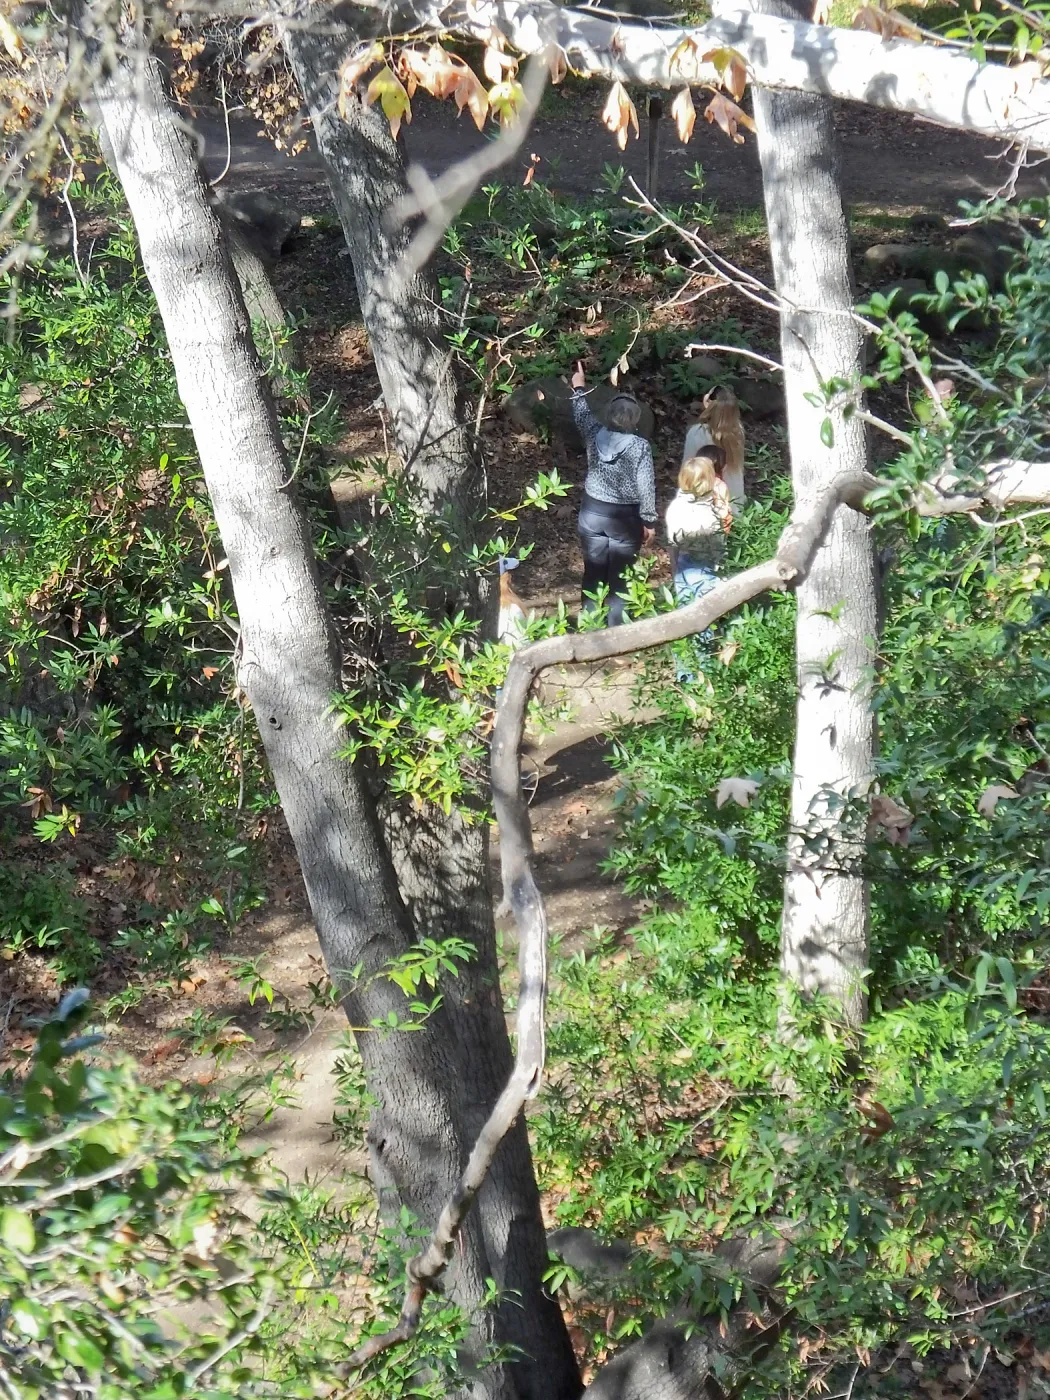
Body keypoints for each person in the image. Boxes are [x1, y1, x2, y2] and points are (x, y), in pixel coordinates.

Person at [570, 360, 656, 627]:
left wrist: (578, 387)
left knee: (594, 570)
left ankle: (589, 626)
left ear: (609, 414)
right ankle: (616, 634)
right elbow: (646, 484)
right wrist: (649, 520)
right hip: (624, 518)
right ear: (635, 419)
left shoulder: (594, 433)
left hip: (592, 512)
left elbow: (581, 412)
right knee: (622, 575)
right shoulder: (640, 446)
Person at [665, 446, 733, 683]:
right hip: (704, 569)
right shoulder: (708, 514)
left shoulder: (676, 507)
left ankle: (685, 673)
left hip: (682, 567)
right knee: (706, 621)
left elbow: (672, 542)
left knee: (683, 618)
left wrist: (674, 569)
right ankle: (709, 675)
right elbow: (718, 546)